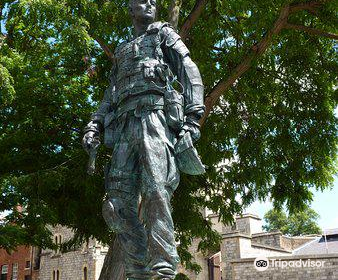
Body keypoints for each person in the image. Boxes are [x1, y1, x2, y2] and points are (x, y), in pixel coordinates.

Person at [82, 0, 204, 279]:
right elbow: (110, 93)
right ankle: (137, 271)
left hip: (154, 120)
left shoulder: (164, 34)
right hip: (124, 127)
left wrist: (193, 117)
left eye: (153, 1)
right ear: (130, 8)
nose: (149, 4)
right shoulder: (123, 50)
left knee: (156, 193)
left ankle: (163, 270)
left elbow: (189, 70)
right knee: (116, 205)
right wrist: (95, 123)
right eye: (142, 0)